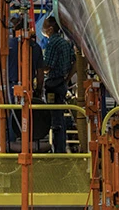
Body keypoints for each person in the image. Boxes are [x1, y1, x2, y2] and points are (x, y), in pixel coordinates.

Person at [7, 16, 44, 143]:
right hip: (29, 88)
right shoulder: (36, 48)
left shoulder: (7, 45)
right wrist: (39, 90)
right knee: (28, 115)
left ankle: (11, 144)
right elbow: (40, 73)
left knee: (12, 116)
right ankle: (29, 143)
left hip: (10, 86)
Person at [42, 16, 75, 153]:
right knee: (60, 118)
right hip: (62, 83)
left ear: (50, 29)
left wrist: (36, 67)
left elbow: (47, 66)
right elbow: (75, 62)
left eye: (44, 26)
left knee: (55, 121)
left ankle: (58, 151)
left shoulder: (52, 43)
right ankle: (61, 147)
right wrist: (67, 79)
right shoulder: (65, 43)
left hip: (53, 84)